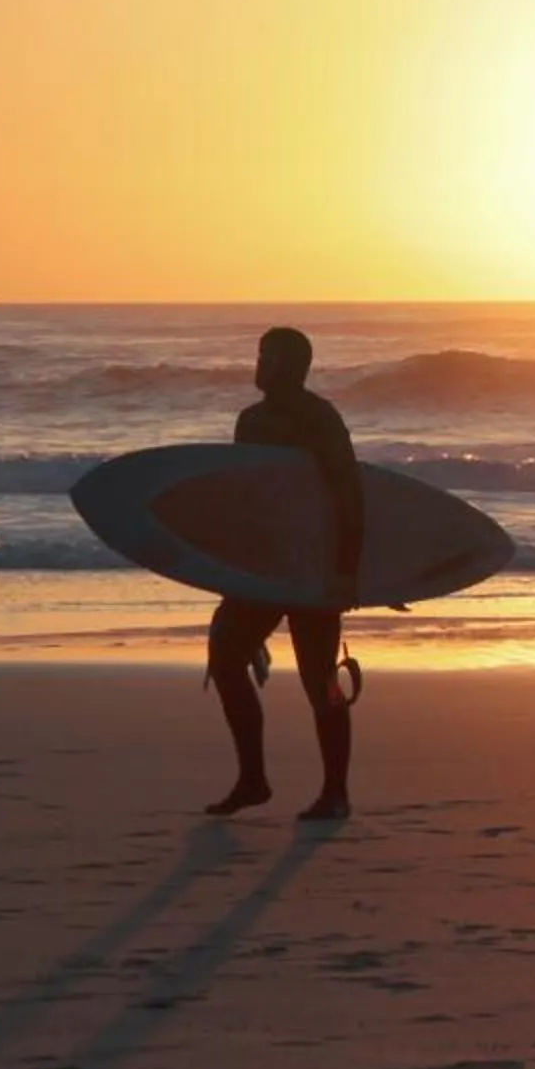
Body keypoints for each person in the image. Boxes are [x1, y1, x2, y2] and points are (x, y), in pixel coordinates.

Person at [205, 326, 362, 823]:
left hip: (312, 564)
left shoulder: (319, 418)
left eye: (269, 358)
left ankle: (335, 793)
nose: (259, 365)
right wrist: (234, 571)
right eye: (259, 355)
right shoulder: (250, 421)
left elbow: (349, 493)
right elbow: (247, 498)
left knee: (321, 681)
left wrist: (346, 571)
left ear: (294, 367)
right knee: (226, 658)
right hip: (266, 564)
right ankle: (253, 781)